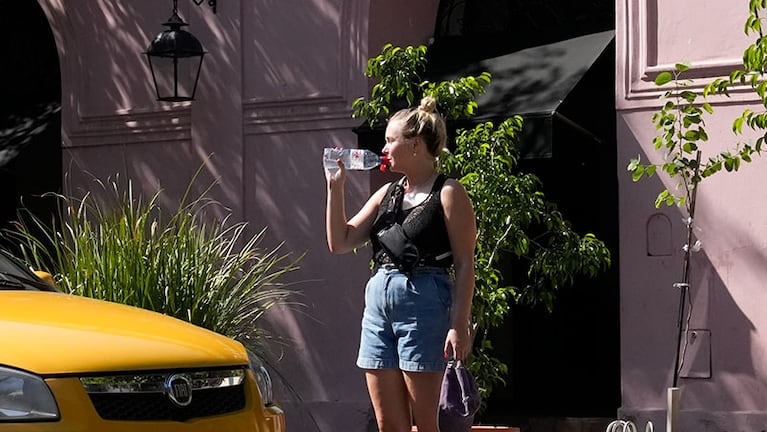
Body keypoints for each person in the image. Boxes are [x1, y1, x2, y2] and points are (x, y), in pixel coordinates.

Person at [325, 96, 477, 432]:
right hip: (379, 306)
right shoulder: (387, 194)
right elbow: (341, 242)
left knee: (425, 422)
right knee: (388, 423)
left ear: (416, 145)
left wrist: (459, 324)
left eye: (391, 140)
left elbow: (466, 264)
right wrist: (335, 189)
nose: (384, 147)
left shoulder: (448, 193)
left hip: (424, 301)